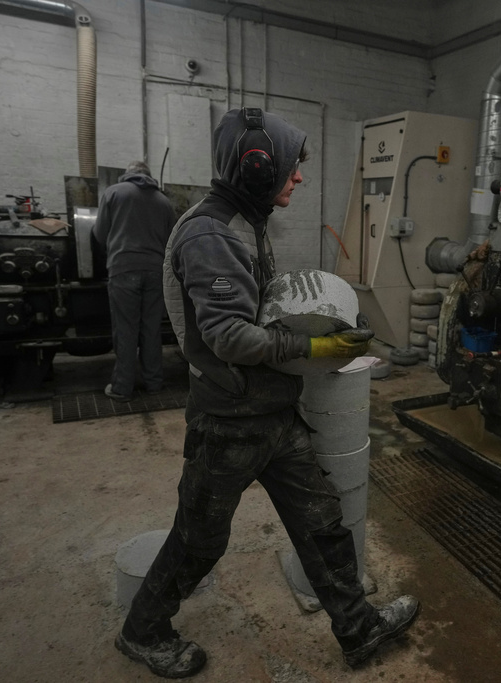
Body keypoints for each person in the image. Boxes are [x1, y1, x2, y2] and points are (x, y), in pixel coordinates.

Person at [113, 108, 420, 678]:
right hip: (228, 421)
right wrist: (314, 351)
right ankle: (143, 630)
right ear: (255, 168)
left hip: (272, 411)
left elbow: (255, 309)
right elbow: (228, 335)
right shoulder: (210, 232)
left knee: (323, 523)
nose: (298, 177)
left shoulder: (244, 220)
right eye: (289, 167)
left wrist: (314, 324)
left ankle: (358, 630)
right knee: (199, 540)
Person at [93, 160, 177, 401]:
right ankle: (154, 383)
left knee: (126, 329)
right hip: (155, 271)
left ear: (128, 175)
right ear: (149, 176)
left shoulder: (113, 193)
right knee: (151, 329)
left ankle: (122, 387)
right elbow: (172, 240)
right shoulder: (163, 201)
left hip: (123, 268)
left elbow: (99, 234)